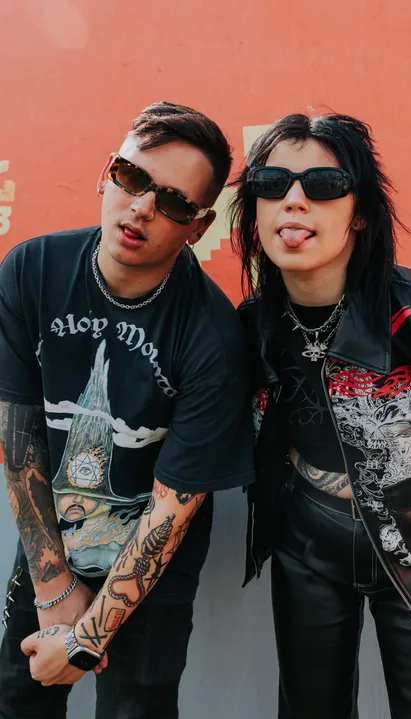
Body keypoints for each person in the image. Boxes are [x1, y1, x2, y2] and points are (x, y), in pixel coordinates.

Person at [0, 100, 254, 718]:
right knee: (16, 699)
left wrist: (84, 642)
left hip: (151, 572)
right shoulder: (32, 270)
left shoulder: (215, 337)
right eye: (132, 177)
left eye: (172, 202)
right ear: (106, 174)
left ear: (197, 226)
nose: (141, 206)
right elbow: (19, 437)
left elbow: (171, 511)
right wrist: (52, 585)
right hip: (48, 543)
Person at [230, 112, 411, 719]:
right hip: (306, 551)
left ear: (361, 212)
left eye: (323, 185)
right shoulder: (252, 324)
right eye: (271, 183)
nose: (294, 200)